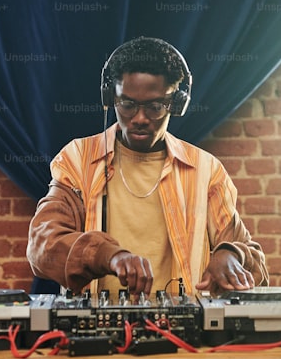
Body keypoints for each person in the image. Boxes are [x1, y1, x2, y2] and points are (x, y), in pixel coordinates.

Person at [27, 36, 268, 300]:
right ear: (110, 97)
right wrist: (109, 255)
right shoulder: (77, 159)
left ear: (176, 103)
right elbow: (43, 245)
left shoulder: (206, 170)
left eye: (155, 107)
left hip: (182, 337)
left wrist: (231, 254)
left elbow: (254, 261)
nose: (140, 119)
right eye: (127, 104)